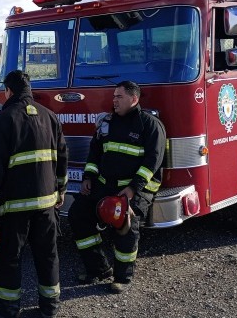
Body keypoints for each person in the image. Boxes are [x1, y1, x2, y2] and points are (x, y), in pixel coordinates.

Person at [0, 70, 68, 318]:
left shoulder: (3, 120)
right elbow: (62, 157)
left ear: (8, 92)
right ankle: (50, 307)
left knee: (9, 258)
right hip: (47, 206)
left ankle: (7, 309)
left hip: (14, 209)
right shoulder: (50, 117)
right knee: (48, 256)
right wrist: (61, 190)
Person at [68, 80, 166, 293]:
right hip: (103, 185)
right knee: (78, 214)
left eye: (119, 97)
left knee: (124, 224)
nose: (114, 101)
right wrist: (88, 177)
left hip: (134, 189)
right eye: (113, 97)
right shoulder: (107, 123)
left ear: (134, 99)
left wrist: (133, 188)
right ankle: (99, 269)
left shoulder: (150, 125)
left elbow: (153, 162)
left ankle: (122, 277)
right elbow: (94, 153)